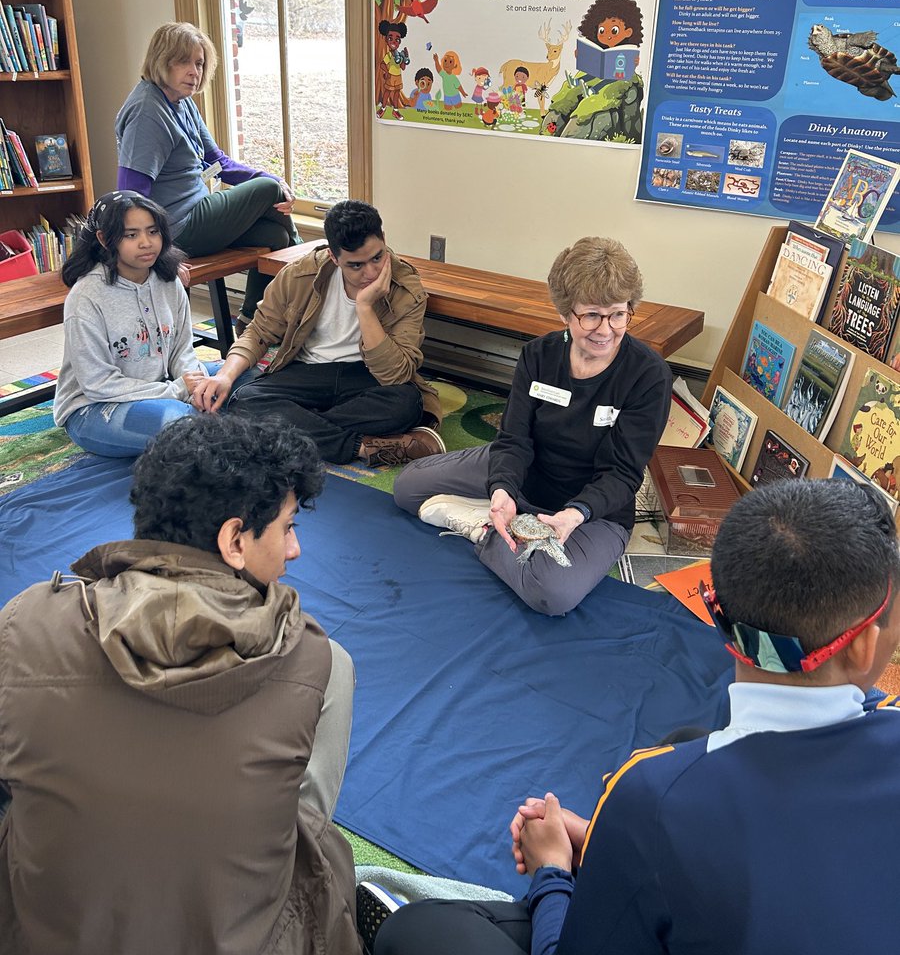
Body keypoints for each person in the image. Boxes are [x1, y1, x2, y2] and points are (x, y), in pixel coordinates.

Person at [368, 477, 900, 955]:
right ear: (863, 648)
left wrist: (553, 871)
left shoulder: (653, 797)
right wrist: (614, 840)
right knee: (687, 741)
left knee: (417, 931)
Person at [0, 412, 359, 955]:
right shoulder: (316, 660)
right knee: (316, 845)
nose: (294, 550)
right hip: (244, 937)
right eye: (288, 528)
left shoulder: (26, 621)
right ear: (234, 539)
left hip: (41, 933)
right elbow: (301, 819)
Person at [394, 237, 671, 615]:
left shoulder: (648, 375)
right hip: (528, 469)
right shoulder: (539, 355)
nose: (605, 330)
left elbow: (622, 473)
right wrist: (502, 489)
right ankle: (498, 513)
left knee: (552, 594)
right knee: (408, 488)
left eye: (618, 314)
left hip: (594, 507)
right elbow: (513, 439)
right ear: (565, 313)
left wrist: (576, 513)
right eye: (591, 315)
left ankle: (482, 530)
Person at [193, 199, 446, 467]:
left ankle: (289, 427)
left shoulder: (405, 287)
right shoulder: (300, 274)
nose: (371, 273)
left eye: (377, 257)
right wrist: (225, 375)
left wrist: (365, 308)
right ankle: (362, 447)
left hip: (366, 377)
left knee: (407, 404)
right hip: (307, 372)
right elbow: (259, 331)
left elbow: (395, 374)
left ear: (383, 239)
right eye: (356, 265)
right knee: (243, 400)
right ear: (334, 257)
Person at [116, 21, 299, 331]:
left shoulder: (182, 101)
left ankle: (250, 323)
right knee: (269, 190)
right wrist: (161, 253)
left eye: (199, 63)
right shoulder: (148, 111)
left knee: (274, 237)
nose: (194, 72)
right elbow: (130, 195)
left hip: (199, 217)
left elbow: (218, 162)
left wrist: (276, 180)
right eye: (184, 62)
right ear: (162, 61)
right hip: (177, 229)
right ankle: (306, 282)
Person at [53, 189, 209, 458]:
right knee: (180, 423)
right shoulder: (85, 297)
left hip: (160, 388)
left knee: (235, 379)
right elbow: (98, 383)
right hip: (95, 407)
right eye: (131, 235)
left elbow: (182, 349)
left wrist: (196, 387)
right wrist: (177, 390)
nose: (146, 243)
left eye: (153, 231)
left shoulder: (169, 281)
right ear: (104, 239)